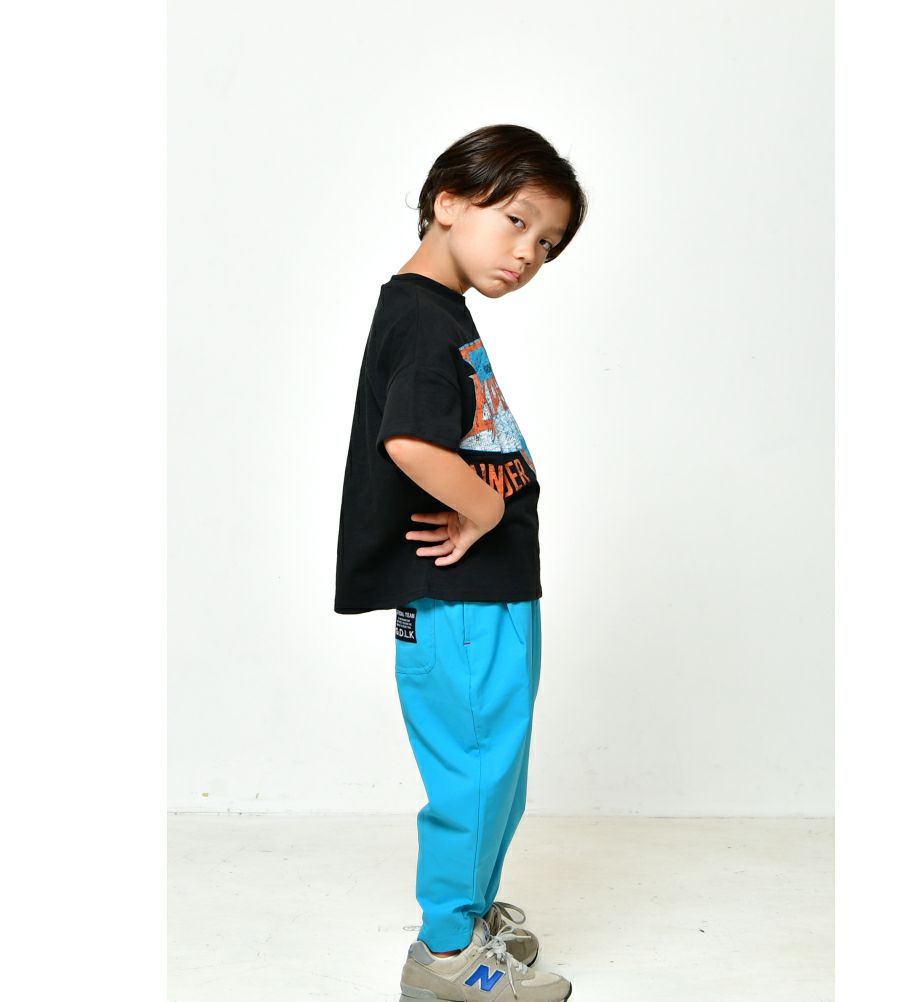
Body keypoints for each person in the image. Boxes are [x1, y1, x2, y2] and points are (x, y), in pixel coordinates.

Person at [334, 123, 587, 1001]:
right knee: (474, 772)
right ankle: (445, 951)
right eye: (517, 221)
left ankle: (472, 913)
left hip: (493, 591)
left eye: (547, 243)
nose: (529, 254)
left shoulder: (441, 311)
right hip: (461, 596)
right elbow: (407, 440)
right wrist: (484, 509)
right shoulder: (418, 315)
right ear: (448, 202)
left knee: (495, 773)